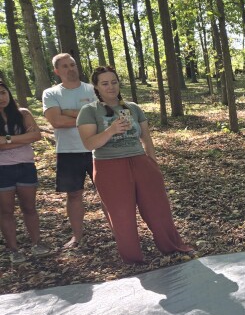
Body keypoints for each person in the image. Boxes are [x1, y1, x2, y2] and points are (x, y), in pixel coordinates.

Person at [76, 66, 192, 264]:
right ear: (96, 87)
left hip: (140, 162)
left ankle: (171, 247)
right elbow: (89, 144)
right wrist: (111, 130)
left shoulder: (133, 108)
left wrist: (152, 163)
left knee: (158, 208)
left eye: (114, 82)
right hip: (109, 166)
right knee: (122, 215)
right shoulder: (89, 111)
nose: (111, 87)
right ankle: (133, 258)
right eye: (105, 83)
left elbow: (146, 138)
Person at [42, 53, 95, 249]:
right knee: (73, 195)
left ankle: (118, 232)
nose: (70, 69)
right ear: (57, 71)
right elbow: (56, 121)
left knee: (107, 192)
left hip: (96, 148)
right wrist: (86, 117)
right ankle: (77, 236)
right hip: (68, 152)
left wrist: (67, 112)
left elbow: (101, 117)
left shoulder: (93, 89)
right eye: (64, 66)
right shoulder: (51, 93)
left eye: (72, 64)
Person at [0, 81, 51, 263]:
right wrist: (23, 138)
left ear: (8, 93)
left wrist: (6, 139)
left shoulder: (23, 114)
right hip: (2, 170)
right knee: (6, 211)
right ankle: (14, 250)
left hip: (26, 167)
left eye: (3, 92)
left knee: (29, 207)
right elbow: (28, 137)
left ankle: (37, 243)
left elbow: (36, 135)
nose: (1, 98)